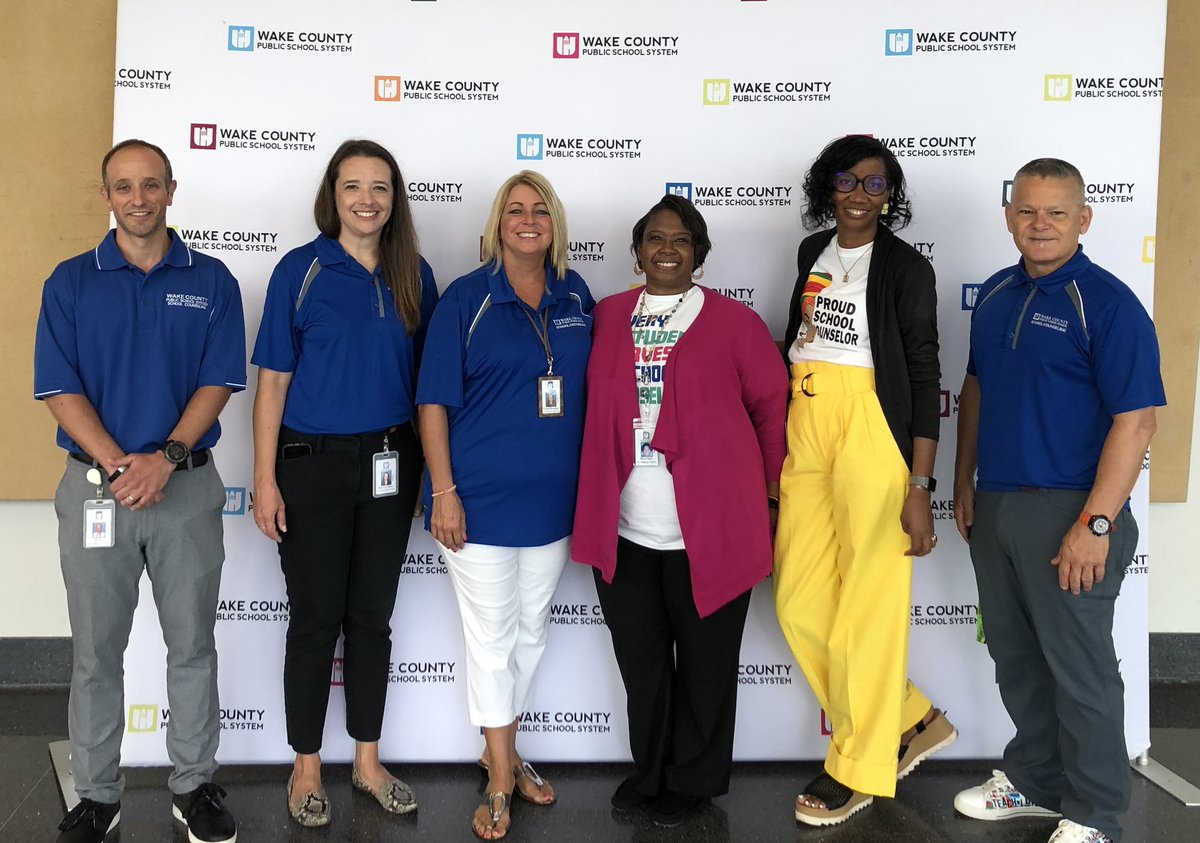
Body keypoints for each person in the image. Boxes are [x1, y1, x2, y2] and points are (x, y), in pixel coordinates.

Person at [34, 139, 244, 843]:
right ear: (106, 197)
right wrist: (125, 465)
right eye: (123, 187)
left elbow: (218, 381)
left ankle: (194, 786)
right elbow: (59, 390)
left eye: (150, 185)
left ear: (171, 190)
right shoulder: (69, 281)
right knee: (97, 651)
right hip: (98, 490)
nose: (138, 199)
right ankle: (97, 794)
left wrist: (167, 456)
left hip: (184, 489)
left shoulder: (211, 279)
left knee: (192, 645)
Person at [952, 158, 1163, 843]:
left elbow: (1137, 422)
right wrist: (963, 483)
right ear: (1010, 213)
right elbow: (976, 388)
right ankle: (1038, 781)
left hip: (1073, 510)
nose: (1039, 225)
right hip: (999, 504)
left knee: (1081, 670)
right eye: (1026, 210)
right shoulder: (994, 293)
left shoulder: (1105, 302)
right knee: (1016, 657)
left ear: (1083, 220)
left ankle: (1097, 811)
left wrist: (1096, 522)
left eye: (1055, 213)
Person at [573, 194, 788, 828]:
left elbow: (771, 411)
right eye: (655, 239)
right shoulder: (608, 315)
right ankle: (651, 772)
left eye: (682, 240)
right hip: (626, 527)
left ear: (699, 253)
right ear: (636, 250)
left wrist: (772, 493)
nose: (667, 249)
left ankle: (693, 781)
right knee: (644, 667)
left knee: (706, 667)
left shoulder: (735, 323)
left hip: (712, 528)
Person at [251, 139, 438, 826]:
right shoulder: (299, 271)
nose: (367, 199)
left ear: (396, 199)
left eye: (380, 187)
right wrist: (264, 479)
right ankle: (306, 767)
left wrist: (432, 476)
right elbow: (272, 381)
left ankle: (366, 760)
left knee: (370, 620)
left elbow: (428, 391)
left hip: (391, 463)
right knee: (315, 619)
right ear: (333, 194)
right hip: (312, 464)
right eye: (353, 186)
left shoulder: (414, 273)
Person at [773, 135, 957, 826]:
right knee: (796, 598)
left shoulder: (908, 270)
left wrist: (919, 484)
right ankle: (906, 716)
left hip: (873, 428)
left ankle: (857, 765)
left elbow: (926, 370)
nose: (858, 194)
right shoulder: (809, 254)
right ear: (828, 188)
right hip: (809, 417)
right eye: (847, 181)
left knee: (870, 608)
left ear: (890, 196)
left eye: (874, 185)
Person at [416, 171, 594, 840]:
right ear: (496, 224)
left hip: (552, 504)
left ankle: (506, 750)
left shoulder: (577, 294)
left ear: (555, 223)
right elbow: (432, 402)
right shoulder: (467, 299)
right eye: (515, 210)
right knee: (491, 640)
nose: (528, 220)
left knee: (530, 633)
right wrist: (445, 492)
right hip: (478, 504)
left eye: (540, 209)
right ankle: (497, 775)